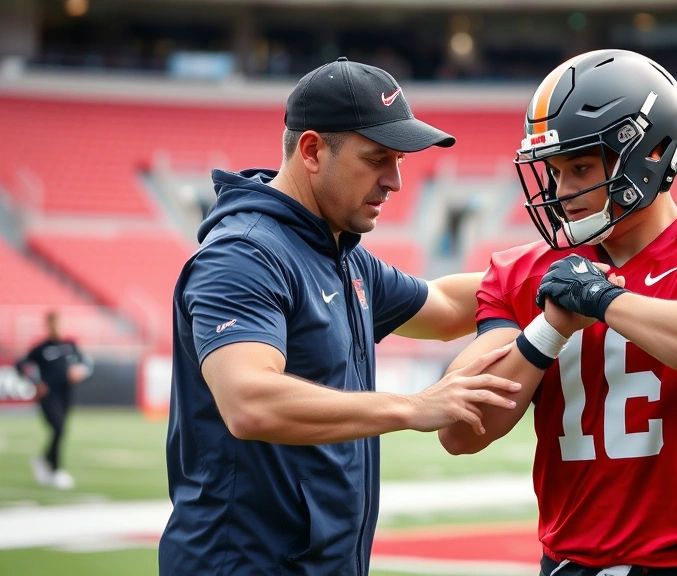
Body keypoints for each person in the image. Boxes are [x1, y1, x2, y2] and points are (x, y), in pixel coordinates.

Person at [439, 49, 677, 576]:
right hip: (570, 564)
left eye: (581, 168)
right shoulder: (531, 272)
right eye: (554, 172)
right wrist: (548, 330)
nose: (563, 193)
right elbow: (460, 430)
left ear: (651, 152)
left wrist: (603, 299)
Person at [158, 57, 522, 576]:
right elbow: (249, 401)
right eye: (377, 159)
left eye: (398, 161)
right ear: (311, 150)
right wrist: (412, 407)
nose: (394, 181)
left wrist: (557, 267)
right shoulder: (244, 254)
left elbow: (443, 309)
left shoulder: (338, 251)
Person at [15, 310, 92, 490]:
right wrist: (35, 382)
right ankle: (56, 470)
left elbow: (87, 364)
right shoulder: (41, 348)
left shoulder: (70, 345)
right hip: (48, 396)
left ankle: (43, 460)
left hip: (66, 394)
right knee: (58, 427)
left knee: (61, 430)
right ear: (48, 326)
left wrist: (80, 371)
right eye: (53, 324)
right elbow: (20, 364)